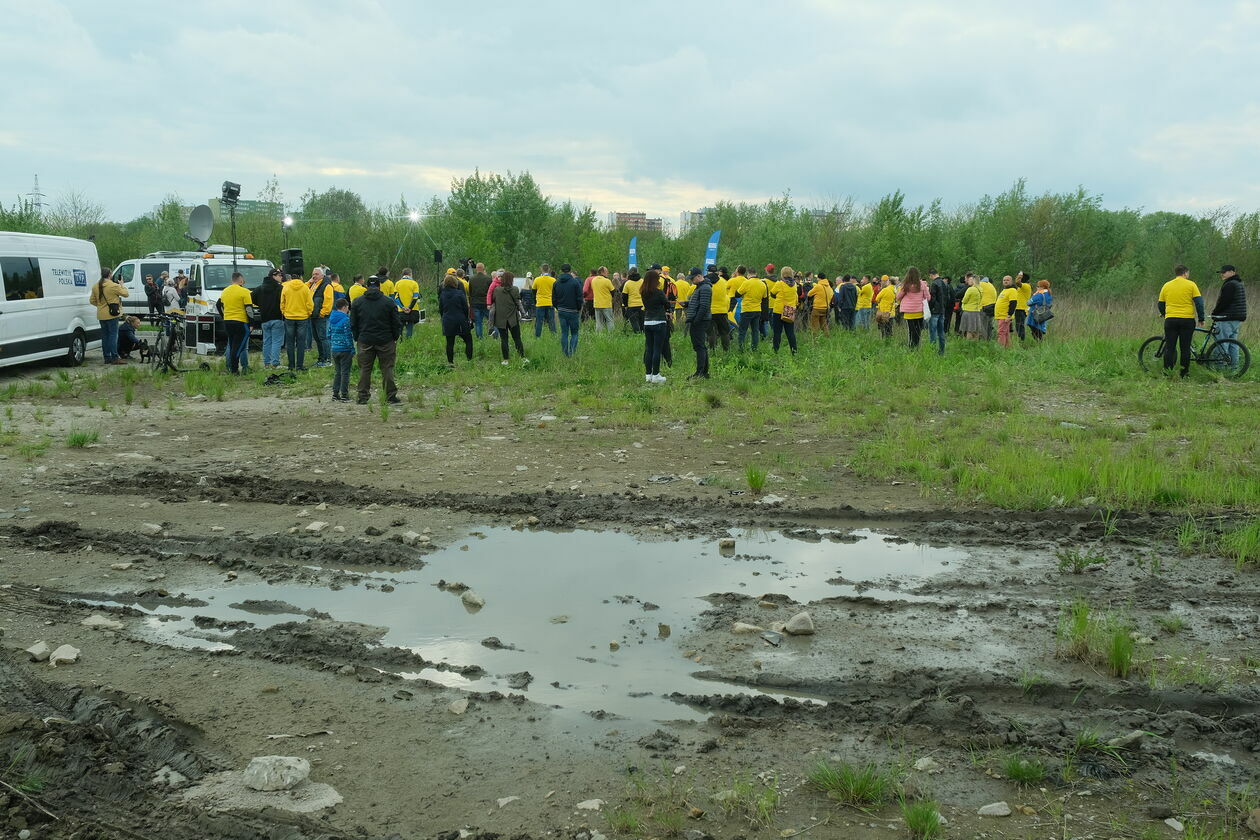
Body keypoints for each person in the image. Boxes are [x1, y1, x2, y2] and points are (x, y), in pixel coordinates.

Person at [350, 274, 402, 403]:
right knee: (387, 368)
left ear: (366, 286)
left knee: (365, 369)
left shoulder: (357, 302)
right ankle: (390, 396)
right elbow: (396, 322)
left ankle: (362, 396)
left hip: (365, 340)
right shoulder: (388, 302)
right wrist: (395, 337)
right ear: (379, 286)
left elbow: (353, 323)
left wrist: (357, 337)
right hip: (385, 340)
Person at [1158, 264, 1205, 378]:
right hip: (1187, 320)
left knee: (1170, 347)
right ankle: (1184, 374)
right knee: (1185, 348)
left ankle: (1167, 373)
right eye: (1188, 273)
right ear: (1185, 273)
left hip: (1171, 320)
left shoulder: (1167, 285)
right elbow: (1199, 303)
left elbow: (1160, 304)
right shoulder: (1191, 285)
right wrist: (1201, 318)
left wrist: (1165, 314)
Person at [1210, 264, 1248, 368]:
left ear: (1232, 272)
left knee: (1221, 343)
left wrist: (1215, 313)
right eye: (1221, 272)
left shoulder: (1230, 284)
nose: (1222, 274)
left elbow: (1224, 302)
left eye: (1224, 272)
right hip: (1236, 318)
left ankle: (1219, 368)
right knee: (1233, 344)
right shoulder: (1238, 283)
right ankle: (1234, 368)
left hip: (1226, 318)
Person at [89, 266, 128, 365]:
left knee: (105, 336)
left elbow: (92, 301)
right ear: (110, 275)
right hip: (112, 314)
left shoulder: (95, 286)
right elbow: (126, 294)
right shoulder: (113, 286)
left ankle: (107, 357)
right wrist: (122, 285)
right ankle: (115, 357)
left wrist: (101, 306)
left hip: (101, 314)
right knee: (113, 335)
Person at [220, 270, 252, 374]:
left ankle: (231, 367)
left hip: (227, 322)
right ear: (241, 280)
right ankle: (235, 369)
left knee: (232, 344)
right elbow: (249, 309)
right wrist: (252, 323)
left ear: (232, 280)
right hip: (240, 322)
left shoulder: (225, 291)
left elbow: (218, 305)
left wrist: (224, 316)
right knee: (239, 347)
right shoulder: (245, 292)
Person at [492, 271, 529, 365]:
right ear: (511, 280)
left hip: (500, 319)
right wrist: (524, 314)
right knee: (517, 338)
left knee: (504, 339)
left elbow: (494, 301)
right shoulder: (515, 289)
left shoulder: (497, 290)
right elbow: (518, 302)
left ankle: (505, 360)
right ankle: (522, 357)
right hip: (513, 319)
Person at [281, 271, 314, 371]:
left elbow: (282, 303)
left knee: (290, 342)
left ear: (291, 278)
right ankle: (300, 366)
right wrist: (308, 313)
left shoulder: (286, 287)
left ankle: (291, 366)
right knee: (301, 342)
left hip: (289, 317)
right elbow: (310, 303)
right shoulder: (305, 288)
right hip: (302, 318)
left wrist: (285, 312)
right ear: (300, 278)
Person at [438, 273, 473, 367]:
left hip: (448, 320)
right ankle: (469, 360)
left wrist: (443, 317)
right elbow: (465, 307)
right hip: (460, 319)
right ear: (455, 283)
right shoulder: (460, 293)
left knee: (450, 342)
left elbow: (441, 308)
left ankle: (450, 362)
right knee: (468, 339)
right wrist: (466, 318)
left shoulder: (443, 295)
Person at [684, 267, 712, 379]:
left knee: (699, 346)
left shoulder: (705, 288)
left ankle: (700, 372)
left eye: (692, 278)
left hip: (700, 321)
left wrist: (696, 320)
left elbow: (704, 306)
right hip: (699, 319)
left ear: (699, 276)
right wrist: (687, 304)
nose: (691, 281)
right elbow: (697, 302)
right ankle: (704, 372)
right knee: (700, 346)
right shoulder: (700, 287)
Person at [551, 263, 583, 357]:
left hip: (561, 311)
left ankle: (565, 353)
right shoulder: (575, 282)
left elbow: (553, 298)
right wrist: (578, 308)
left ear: (561, 270)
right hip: (573, 311)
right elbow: (579, 298)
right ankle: (572, 353)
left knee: (564, 333)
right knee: (574, 333)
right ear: (570, 270)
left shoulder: (556, 282)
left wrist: (558, 307)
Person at [897, 267, 930, 349]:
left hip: (908, 311)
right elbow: (928, 297)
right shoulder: (922, 284)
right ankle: (917, 346)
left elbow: (898, 296)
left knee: (911, 330)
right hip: (919, 310)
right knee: (918, 330)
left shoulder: (906, 284)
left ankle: (911, 346)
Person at [328, 298, 355, 402]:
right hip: (345, 350)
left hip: (334, 349)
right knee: (345, 373)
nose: (348, 309)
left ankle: (335, 394)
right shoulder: (346, 319)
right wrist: (352, 349)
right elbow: (348, 336)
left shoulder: (331, 318)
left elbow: (328, 334)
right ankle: (344, 395)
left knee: (337, 372)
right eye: (348, 307)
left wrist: (333, 344)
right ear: (344, 307)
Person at [770, 267, 800, 354]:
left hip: (778, 311)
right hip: (789, 310)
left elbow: (772, 293)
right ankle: (794, 351)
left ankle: (776, 351)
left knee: (777, 333)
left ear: (782, 274)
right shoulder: (794, 284)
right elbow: (796, 298)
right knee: (790, 333)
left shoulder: (779, 283)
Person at [736, 269, 768, 350]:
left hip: (747, 309)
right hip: (757, 310)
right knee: (755, 331)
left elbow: (737, 294)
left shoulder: (746, 282)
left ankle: (741, 348)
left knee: (742, 330)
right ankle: (754, 348)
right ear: (756, 274)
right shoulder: (763, 284)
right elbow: (764, 297)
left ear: (748, 274)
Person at [308, 268, 334, 367]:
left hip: (321, 317)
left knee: (323, 338)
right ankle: (321, 359)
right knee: (317, 338)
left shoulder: (326, 285)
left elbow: (328, 301)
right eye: (313, 274)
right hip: (313, 316)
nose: (314, 276)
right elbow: (305, 291)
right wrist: (309, 282)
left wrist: (322, 313)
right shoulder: (313, 285)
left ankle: (327, 360)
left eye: (316, 274)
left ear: (322, 275)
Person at [927, 270, 953, 355]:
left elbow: (932, 298)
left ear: (932, 275)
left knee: (933, 332)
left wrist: (930, 308)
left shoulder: (934, 284)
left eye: (930, 276)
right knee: (941, 332)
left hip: (935, 311)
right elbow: (947, 298)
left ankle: (932, 351)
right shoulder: (944, 284)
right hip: (942, 310)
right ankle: (942, 351)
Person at [708, 266, 731, 351]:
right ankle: (726, 350)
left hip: (710, 310)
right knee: (724, 332)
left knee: (711, 333)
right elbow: (726, 296)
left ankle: (712, 350)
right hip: (722, 310)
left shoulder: (705, 281)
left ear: (708, 272)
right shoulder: (723, 281)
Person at [466, 263, 492, 339]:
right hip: (486, 303)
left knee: (478, 322)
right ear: (483, 269)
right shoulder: (488, 279)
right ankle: (495, 336)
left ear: (476, 269)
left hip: (475, 303)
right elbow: (490, 292)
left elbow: (470, 291)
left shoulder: (472, 279)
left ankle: (479, 338)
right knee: (492, 320)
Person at [394, 269, 421, 339]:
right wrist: (410, 308)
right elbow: (415, 297)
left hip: (401, 310)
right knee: (410, 326)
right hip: (412, 309)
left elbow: (396, 298)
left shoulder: (397, 283)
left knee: (400, 327)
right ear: (410, 274)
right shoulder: (414, 283)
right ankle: (408, 341)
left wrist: (402, 307)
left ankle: (400, 340)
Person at [532, 264, 557, 337]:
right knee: (551, 321)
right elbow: (556, 292)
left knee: (539, 321)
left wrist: (535, 301)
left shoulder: (537, 279)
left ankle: (537, 336)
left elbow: (533, 291)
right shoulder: (553, 280)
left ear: (541, 269)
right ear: (549, 269)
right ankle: (553, 336)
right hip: (550, 302)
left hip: (540, 303)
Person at [995, 275, 1018, 348]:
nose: (1005, 281)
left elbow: (1013, 303)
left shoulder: (1012, 290)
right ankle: (1008, 348)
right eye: (1004, 280)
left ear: (1011, 281)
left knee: (1001, 332)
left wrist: (1009, 315)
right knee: (1006, 333)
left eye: (1007, 280)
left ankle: (1000, 348)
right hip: (1000, 315)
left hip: (1005, 316)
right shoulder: (1004, 290)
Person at [959, 275, 983, 339]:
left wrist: (963, 302)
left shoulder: (971, 289)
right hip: (976, 311)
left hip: (968, 311)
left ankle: (969, 344)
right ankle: (975, 343)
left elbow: (964, 300)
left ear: (973, 281)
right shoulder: (980, 289)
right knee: (976, 330)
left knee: (969, 330)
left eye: (969, 280)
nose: (968, 281)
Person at [1014, 271, 1032, 341]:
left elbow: (1017, 282)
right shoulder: (1024, 287)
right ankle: (1020, 340)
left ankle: (1021, 340)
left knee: (1020, 325)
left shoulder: (1026, 286)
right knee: (1019, 325)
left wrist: (1019, 275)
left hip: (1021, 308)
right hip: (1020, 308)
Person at [978, 275, 998, 339]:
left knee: (983, 326)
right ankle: (989, 339)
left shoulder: (980, 284)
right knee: (989, 325)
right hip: (992, 307)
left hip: (984, 307)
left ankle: (983, 340)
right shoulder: (990, 285)